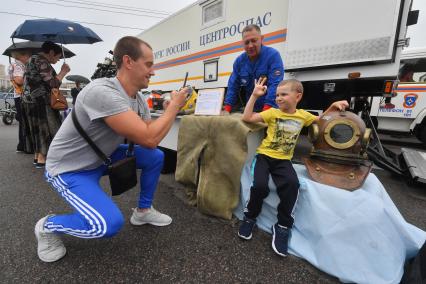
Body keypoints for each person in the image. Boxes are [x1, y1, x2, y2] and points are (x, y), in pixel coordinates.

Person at [34, 36, 188, 263]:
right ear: (128, 61)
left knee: (155, 157)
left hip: (100, 158)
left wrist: (166, 110)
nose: (152, 72)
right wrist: (173, 108)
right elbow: (149, 137)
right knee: (106, 224)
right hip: (68, 168)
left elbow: (147, 130)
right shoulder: (102, 91)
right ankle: (47, 226)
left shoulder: (138, 98)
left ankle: (143, 212)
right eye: (148, 64)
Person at [239, 78, 349, 257]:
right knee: (259, 185)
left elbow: (321, 122)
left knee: (292, 185)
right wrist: (254, 95)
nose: (279, 98)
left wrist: (333, 106)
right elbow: (247, 118)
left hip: (283, 161)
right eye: (277, 95)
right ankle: (250, 217)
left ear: (298, 96)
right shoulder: (272, 113)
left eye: (284, 94)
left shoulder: (303, 115)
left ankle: (282, 226)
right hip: (264, 157)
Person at [24, 41, 71, 168]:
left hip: (29, 100)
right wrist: (63, 72)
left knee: (36, 129)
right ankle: (43, 158)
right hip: (41, 102)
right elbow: (52, 84)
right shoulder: (41, 61)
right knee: (48, 128)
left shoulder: (31, 60)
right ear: (51, 53)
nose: (58, 60)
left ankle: (37, 156)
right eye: (57, 57)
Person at [223, 24, 284, 113]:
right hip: (251, 109)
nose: (250, 45)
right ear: (242, 43)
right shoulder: (239, 61)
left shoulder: (273, 55)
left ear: (261, 39)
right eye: (247, 42)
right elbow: (233, 86)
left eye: (254, 41)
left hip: (270, 108)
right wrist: (227, 108)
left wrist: (266, 111)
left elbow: (275, 85)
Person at [8, 49, 32, 153]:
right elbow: (19, 80)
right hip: (22, 96)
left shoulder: (15, 65)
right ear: (21, 55)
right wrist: (29, 75)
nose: (29, 57)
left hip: (18, 96)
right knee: (25, 121)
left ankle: (22, 145)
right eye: (28, 55)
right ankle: (24, 145)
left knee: (23, 121)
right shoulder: (18, 65)